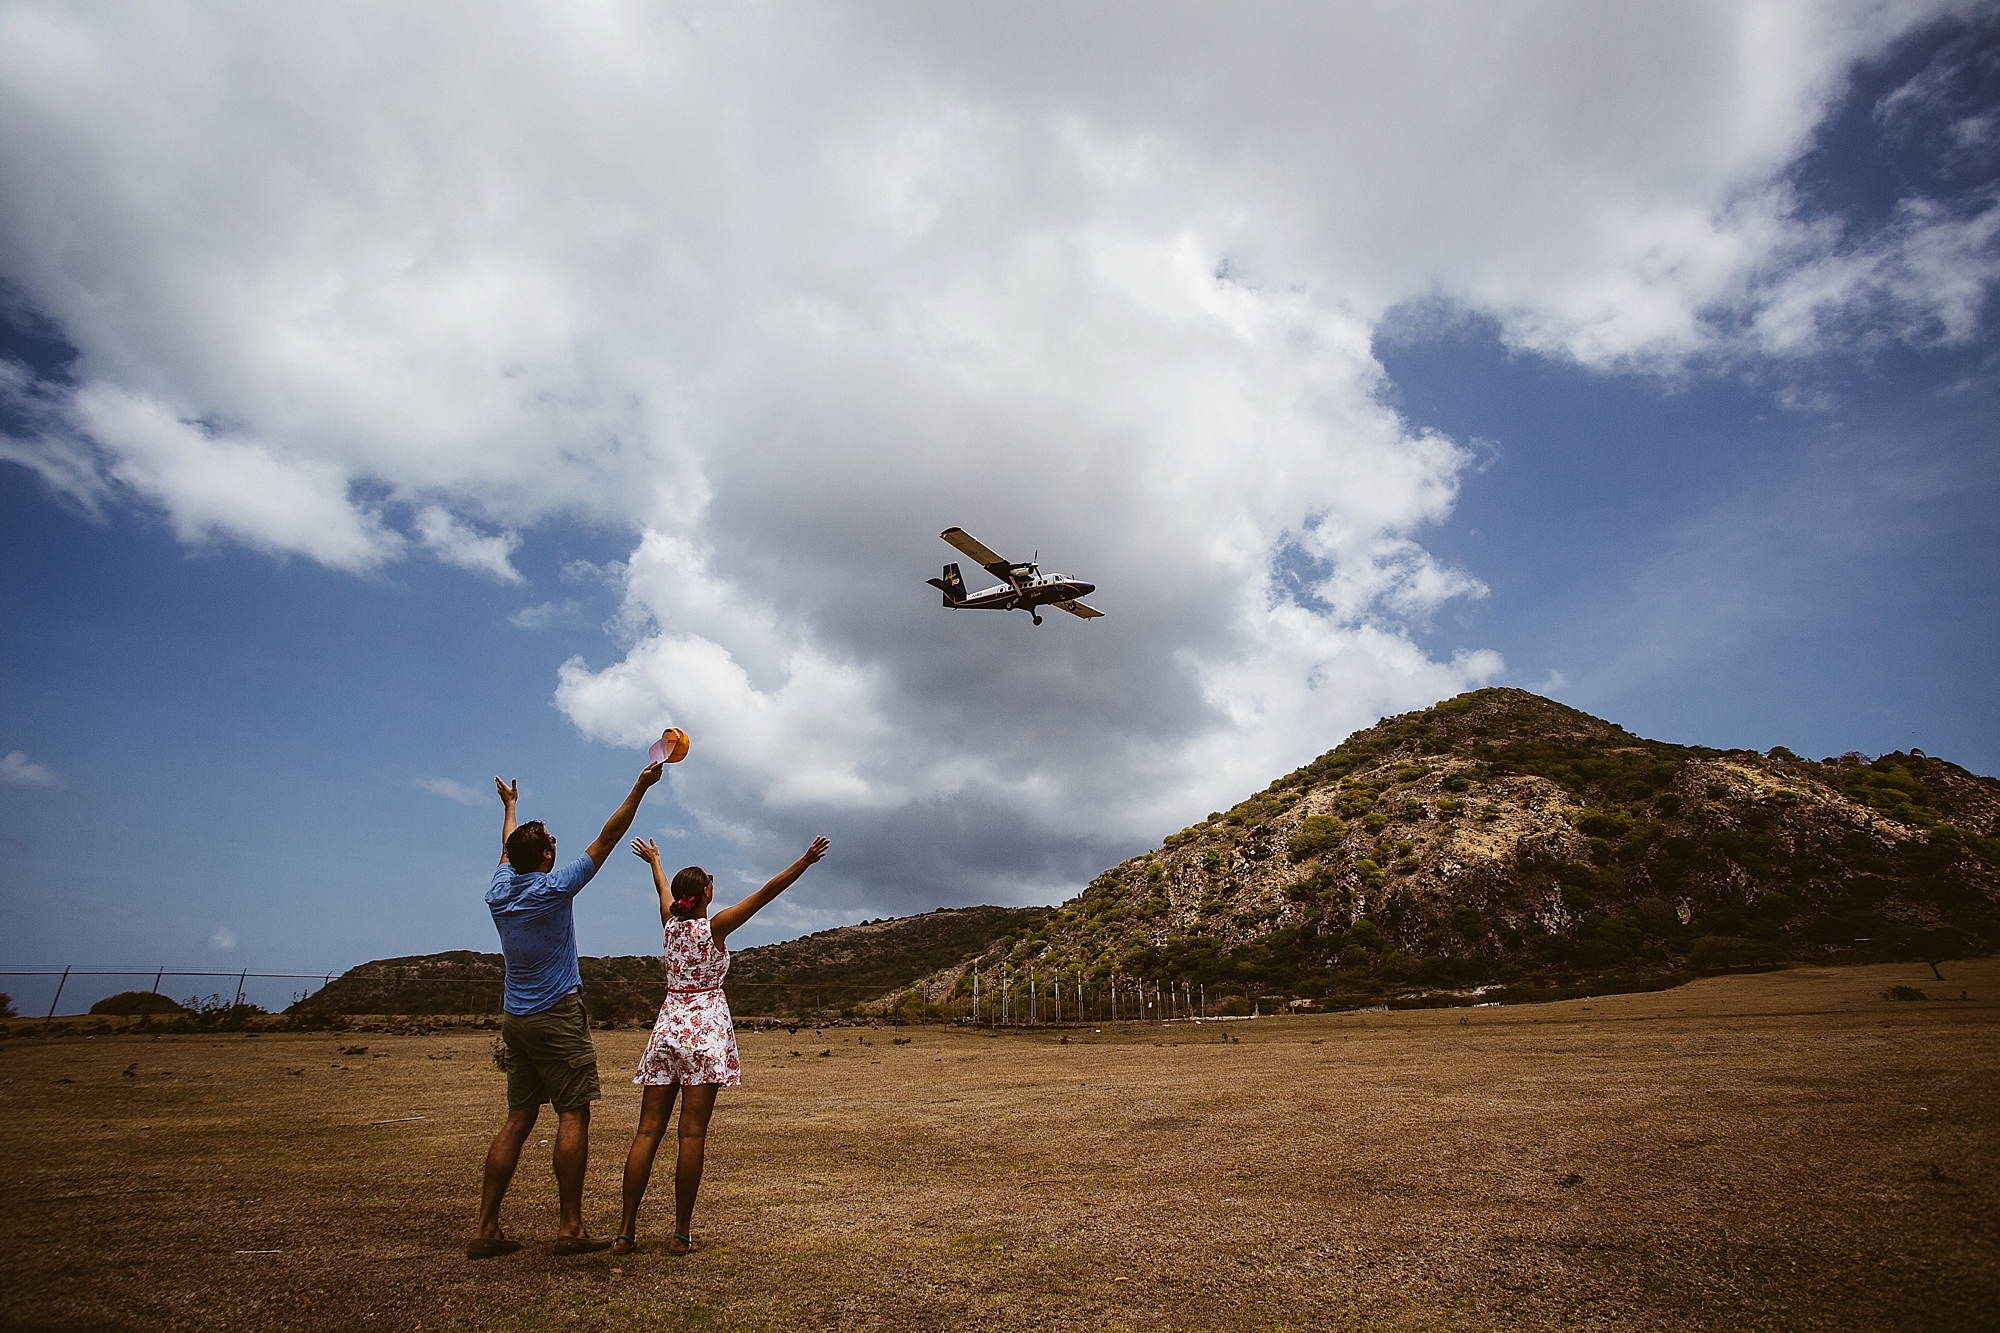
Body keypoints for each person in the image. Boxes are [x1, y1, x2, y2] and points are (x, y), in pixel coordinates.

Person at [466, 761, 665, 1260]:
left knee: (518, 1118)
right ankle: (570, 1227)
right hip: (556, 1014)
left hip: (516, 1018)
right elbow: (609, 835)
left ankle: (486, 1228)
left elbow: (508, 847)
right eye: (553, 842)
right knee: (573, 1114)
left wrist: (510, 809)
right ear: (549, 854)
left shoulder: (498, 892)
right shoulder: (553, 889)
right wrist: (640, 785)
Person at [612, 833, 831, 1255]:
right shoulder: (714, 927)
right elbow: (766, 893)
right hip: (704, 1032)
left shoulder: (670, 924)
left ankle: (625, 1231)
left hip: (667, 1028)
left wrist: (655, 861)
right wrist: (804, 861)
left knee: (646, 1132)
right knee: (690, 1135)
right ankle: (680, 1234)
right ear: (705, 894)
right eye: (710, 881)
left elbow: (662, 889)